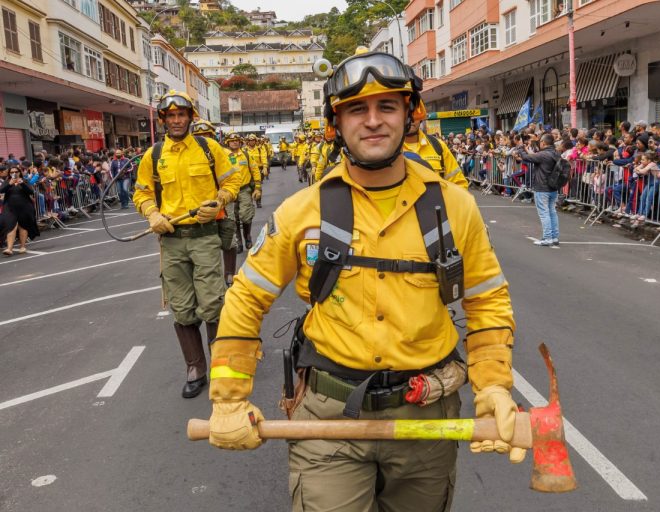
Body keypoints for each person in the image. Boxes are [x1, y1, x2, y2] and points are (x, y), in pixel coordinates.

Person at [205, 48, 523, 510]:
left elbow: (487, 301)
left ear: (410, 115)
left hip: (427, 417)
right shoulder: (301, 211)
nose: (373, 121)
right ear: (335, 124)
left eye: (387, 106)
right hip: (327, 421)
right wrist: (229, 398)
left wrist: (493, 386)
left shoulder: (456, 207)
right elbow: (245, 299)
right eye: (356, 109)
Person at [132, 90, 241, 398]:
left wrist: (220, 200)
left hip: (204, 236)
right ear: (163, 120)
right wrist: (152, 214)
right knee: (181, 308)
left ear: (191, 117)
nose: (177, 120)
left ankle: (220, 367)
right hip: (172, 242)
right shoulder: (154, 156)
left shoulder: (209, 149)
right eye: (171, 116)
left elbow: (232, 181)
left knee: (213, 303)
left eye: (182, 114)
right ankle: (195, 368)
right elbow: (141, 193)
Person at [192, 120, 240, 288]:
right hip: (199, 206)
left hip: (223, 202)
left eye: (206, 135)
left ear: (213, 136)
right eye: (199, 136)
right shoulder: (187, 156)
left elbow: (234, 178)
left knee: (228, 239)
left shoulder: (226, 153)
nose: (203, 139)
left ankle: (229, 273)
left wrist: (224, 196)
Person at [403, 100, 469, 189]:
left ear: (421, 117)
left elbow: (459, 184)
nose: (410, 119)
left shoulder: (438, 146)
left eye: (415, 114)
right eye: (405, 114)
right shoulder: (388, 150)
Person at [517, 134, 561, 246]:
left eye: (540, 141)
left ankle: (547, 238)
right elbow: (534, 156)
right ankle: (554, 237)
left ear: (543, 143)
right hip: (553, 187)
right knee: (552, 212)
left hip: (542, 187)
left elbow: (527, 158)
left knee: (544, 213)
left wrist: (521, 149)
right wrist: (526, 150)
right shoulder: (556, 153)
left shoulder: (544, 154)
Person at [1, 166, 40, 255]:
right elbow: (1, 191)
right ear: (9, 173)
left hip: (24, 206)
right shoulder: (7, 182)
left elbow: (31, 191)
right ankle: (9, 249)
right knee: (11, 226)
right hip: (10, 207)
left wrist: (22, 183)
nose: (14, 173)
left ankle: (22, 246)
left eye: (16, 171)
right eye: (12, 172)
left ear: (19, 172)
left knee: (23, 225)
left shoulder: (24, 181)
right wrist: (9, 184)